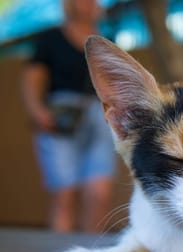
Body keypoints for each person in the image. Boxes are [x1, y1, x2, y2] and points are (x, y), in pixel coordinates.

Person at [22, 0, 115, 233]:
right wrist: (38, 111)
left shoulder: (106, 39)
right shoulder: (51, 38)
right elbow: (32, 79)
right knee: (64, 194)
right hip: (61, 116)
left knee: (99, 193)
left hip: (99, 116)